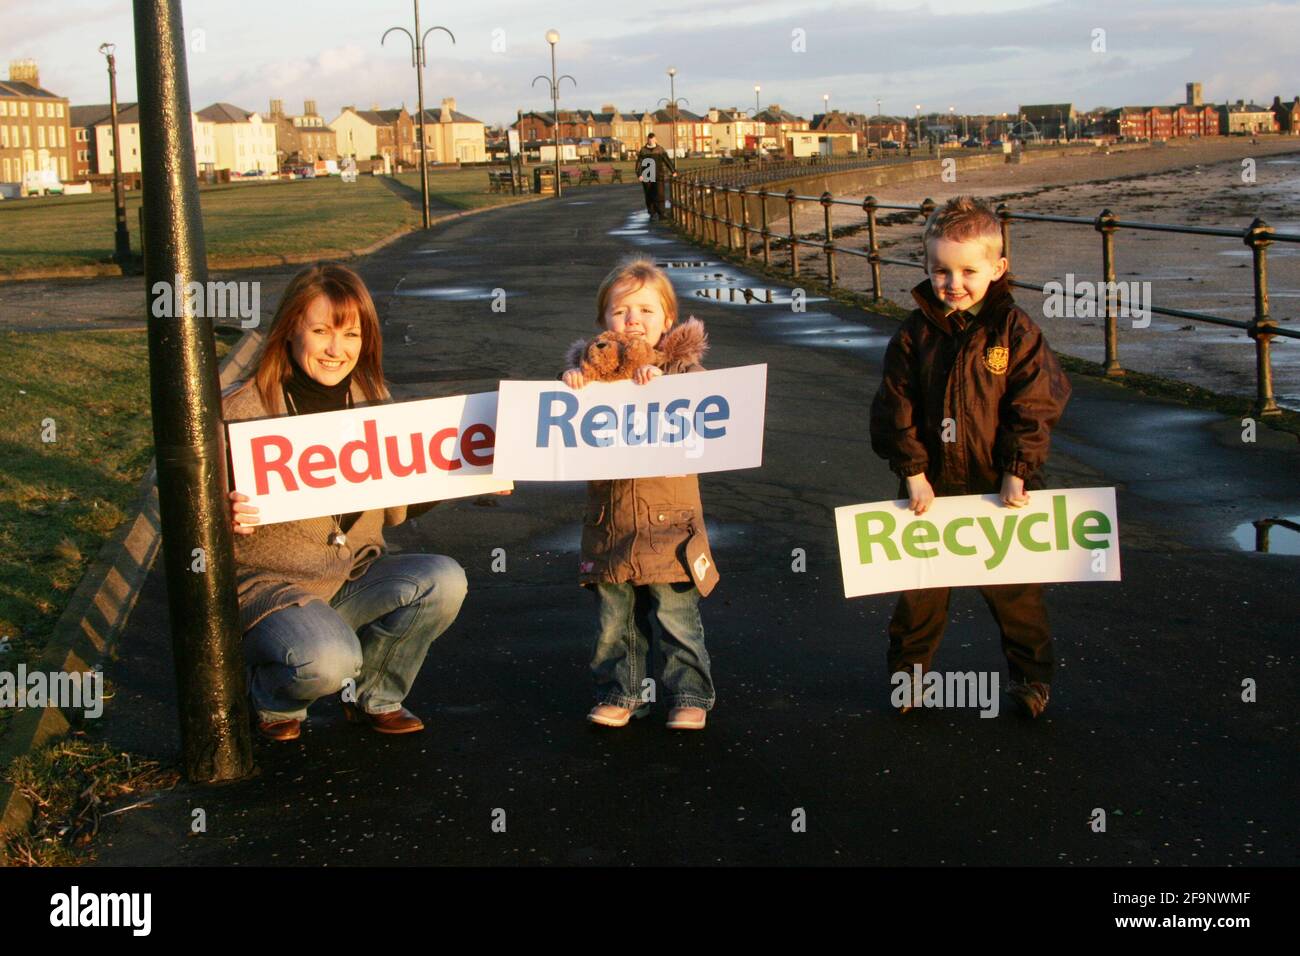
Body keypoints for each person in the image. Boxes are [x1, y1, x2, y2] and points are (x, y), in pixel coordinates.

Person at [223, 263, 470, 741]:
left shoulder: (371, 398)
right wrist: (221, 513)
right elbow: (189, 517)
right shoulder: (239, 410)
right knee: (330, 661)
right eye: (321, 331)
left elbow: (395, 507)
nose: (338, 350)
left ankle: (375, 696)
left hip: (350, 574)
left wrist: (465, 476)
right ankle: (273, 699)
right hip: (271, 589)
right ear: (290, 330)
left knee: (443, 579)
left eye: (351, 334)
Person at [869, 196, 1071, 718]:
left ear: (997, 269)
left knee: (1016, 597)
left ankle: (1032, 681)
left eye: (967, 271)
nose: (952, 283)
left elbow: (1037, 403)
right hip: (928, 488)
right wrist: (911, 470)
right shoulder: (914, 334)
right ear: (926, 266)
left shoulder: (1016, 331)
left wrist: (1018, 470)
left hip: (999, 484)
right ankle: (908, 680)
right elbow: (895, 406)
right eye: (940, 270)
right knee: (918, 594)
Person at [560, 257, 718, 730]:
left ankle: (690, 694)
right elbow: (556, 427)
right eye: (621, 311)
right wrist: (572, 386)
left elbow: (717, 410)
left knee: (676, 616)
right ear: (603, 320)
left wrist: (668, 387)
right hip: (610, 525)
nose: (633, 321)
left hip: (670, 523)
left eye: (647, 311)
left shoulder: (684, 370)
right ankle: (624, 692)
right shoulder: (591, 376)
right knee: (615, 620)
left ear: (668, 320)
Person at [635, 132, 676, 221]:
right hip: (647, 176)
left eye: (653, 139)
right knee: (649, 194)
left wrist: (673, 171)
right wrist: (639, 174)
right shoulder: (643, 150)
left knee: (660, 194)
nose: (651, 141)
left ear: (655, 139)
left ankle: (661, 213)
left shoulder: (660, 149)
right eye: (650, 139)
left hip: (659, 175)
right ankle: (652, 213)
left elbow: (667, 161)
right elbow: (639, 163)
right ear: (648, 140)